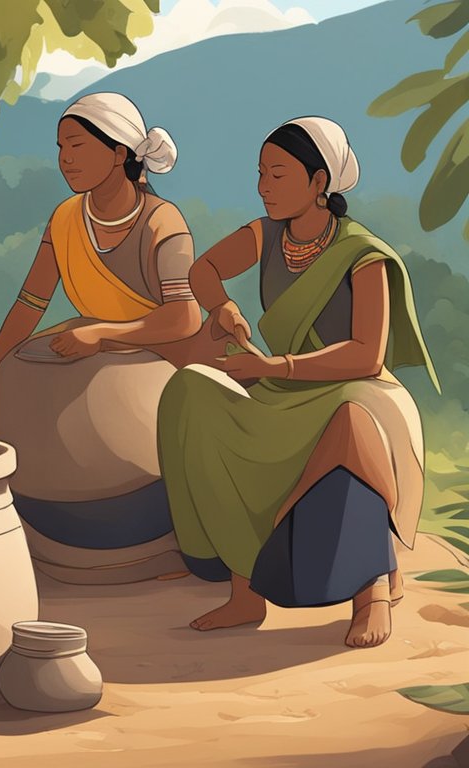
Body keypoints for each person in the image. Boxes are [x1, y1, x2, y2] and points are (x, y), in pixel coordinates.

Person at [158, 117, 436, 648]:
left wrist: (273, 367)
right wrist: (225, 306)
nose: (264, 186)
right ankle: (245, 590)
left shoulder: (362, 254)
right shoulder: (266, 234)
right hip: (283, 392)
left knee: (353, 419)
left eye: (278, 175)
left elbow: (364, 355)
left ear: (318, 183)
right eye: (261, 173)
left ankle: (373, 588)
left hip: (356, 390)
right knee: (191, 390)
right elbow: (203, 272)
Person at [0, 93, 201, 583]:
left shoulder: (162, 221)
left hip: (169, 352)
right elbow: (29, 304)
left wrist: (106, 334)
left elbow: (183, 318)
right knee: (20, 370)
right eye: (59, 147)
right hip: (98, 341)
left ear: (119, 153)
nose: (64, 158)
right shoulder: (66, 218)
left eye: (76, 145)